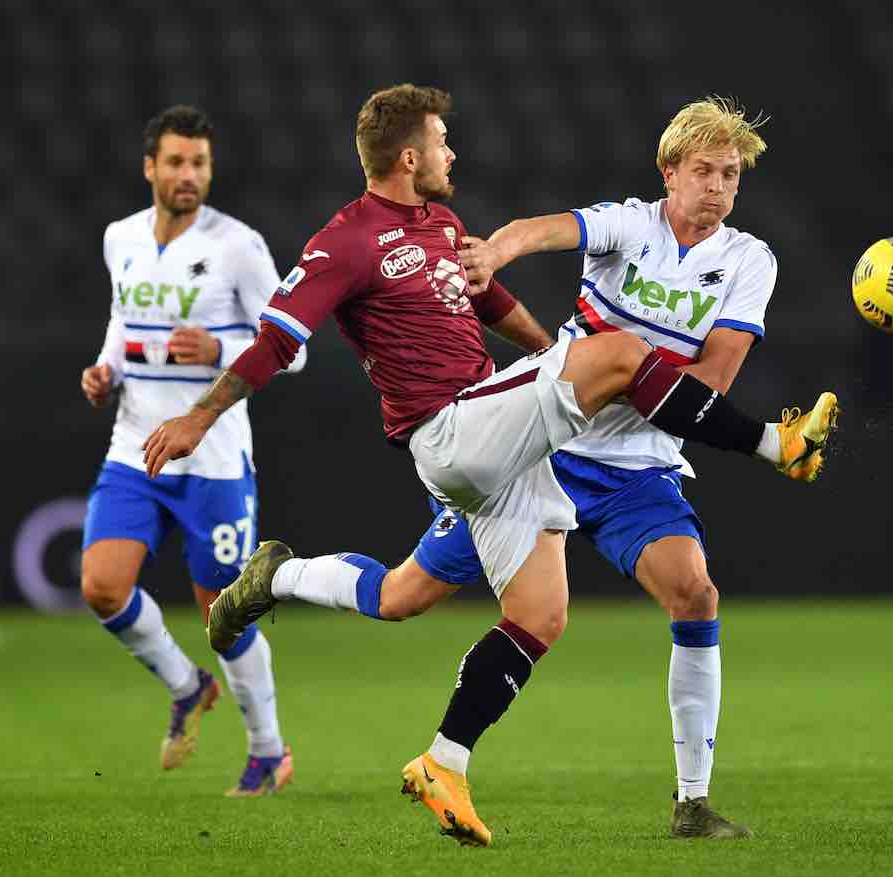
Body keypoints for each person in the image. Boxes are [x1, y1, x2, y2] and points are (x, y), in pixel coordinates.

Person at [141, 84, 838, 846]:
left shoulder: (443, 223)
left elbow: (495, 302)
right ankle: (776, 443)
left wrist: (549, 355)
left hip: (576, 451)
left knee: (480, 605)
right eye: (443, 140)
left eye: (731, 174)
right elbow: (280, 339)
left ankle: (411, 724)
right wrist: (198, 414)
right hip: (476, 434)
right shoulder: (347, 241)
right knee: (618, 354)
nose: (454, 151)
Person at [79, 105, 306, 796]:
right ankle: (186, 686)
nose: (188, 175)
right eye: (175, 162)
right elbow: (123, 320)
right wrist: (106, 369)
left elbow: (291, 350)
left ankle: (268, 751)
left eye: (199, 163)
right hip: (136, 444)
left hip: (211, 458)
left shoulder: (238, 245)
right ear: (150, 167)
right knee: (101, 584)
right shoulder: (120, 237)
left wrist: (219, 349)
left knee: (222, 614)